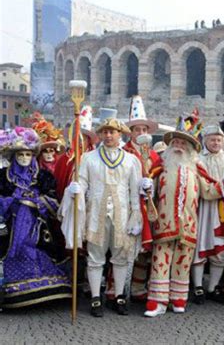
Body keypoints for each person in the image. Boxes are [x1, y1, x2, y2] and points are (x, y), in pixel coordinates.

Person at [144, 124, 224, 317]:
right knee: (160, 262)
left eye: (183, 143)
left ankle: (178, 298)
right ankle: (158, 301)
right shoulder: (160, 166)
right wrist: (145, 187)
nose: (179, 145)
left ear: (190, 148)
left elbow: (208, 192)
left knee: (183, 262)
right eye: (176, 142)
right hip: (164, 222)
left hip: (189, 223)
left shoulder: (196, 168)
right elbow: (150, 193)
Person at [60, 118, 143, 317]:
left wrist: (136, 215)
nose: (108, 136)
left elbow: (134, 191)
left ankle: (119, 296)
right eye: (105, 132)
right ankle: (96, 298)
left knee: (121, 256)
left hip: (122, 214)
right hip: (96, 213)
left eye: (112, 132)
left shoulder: (132, 160)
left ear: (120, 134)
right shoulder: (89, 158)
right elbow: (83, 182)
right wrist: (75, 190)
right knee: (95, 257)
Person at [0, 127, 71, 309]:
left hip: (38, 225)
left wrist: (37, 201)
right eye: (21, 155)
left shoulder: (42, 177)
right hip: (12, 225)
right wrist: (13, 200)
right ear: (14, 156)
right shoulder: (3, 178)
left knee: (38, 248)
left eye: (28, 154)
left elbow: (54, 202)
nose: (24, 158)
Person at [191, 125, 224, 304]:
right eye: (212, 139)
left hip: (222, 210)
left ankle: (213, 287)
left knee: (221, 249)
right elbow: (201, 188)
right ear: (205, 141)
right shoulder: (198, 161)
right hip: (203, 208)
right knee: (199, 247)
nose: (216, 143)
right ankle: (198, 287)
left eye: (219, 140)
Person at [121, 96, 161, 302]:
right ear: (131, 132)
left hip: (149, 206)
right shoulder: (123, 153)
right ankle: (118, 288)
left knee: (146, 249)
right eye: (137, 130)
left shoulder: (154, 155)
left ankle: (137, 286)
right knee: (125, 247)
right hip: (128, 205)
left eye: (144, 130)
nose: (141, 133)